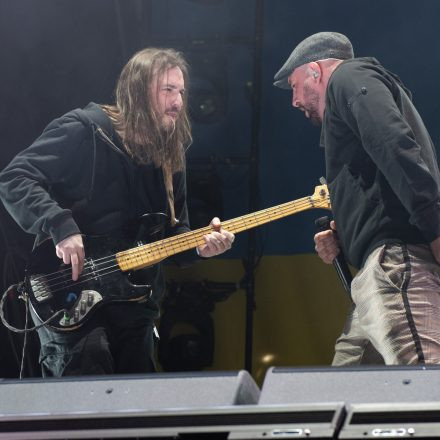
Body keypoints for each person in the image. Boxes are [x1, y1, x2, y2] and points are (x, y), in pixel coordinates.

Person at [0, 48, 234, 377]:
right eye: (168, 90)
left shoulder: (170, 153)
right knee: (85, 389)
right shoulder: (86, 130)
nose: (179, 102)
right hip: (70, 293)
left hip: (135, 304)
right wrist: (61, 225)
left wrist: (198, 246)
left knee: (134, 399)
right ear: (138, 91)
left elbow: (172, 232)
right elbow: (14, 178)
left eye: (181, 92)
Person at [274, 32, 440, 365]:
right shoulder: (349, 99)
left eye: (294, 86)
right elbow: (381, 183)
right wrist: (344, 238)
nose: (294, 101)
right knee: (346, 388)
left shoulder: (349, 76)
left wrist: (436, 229)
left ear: (316, 72)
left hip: (397, 264)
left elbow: (394, 147)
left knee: (423, 383)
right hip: (379, 271)